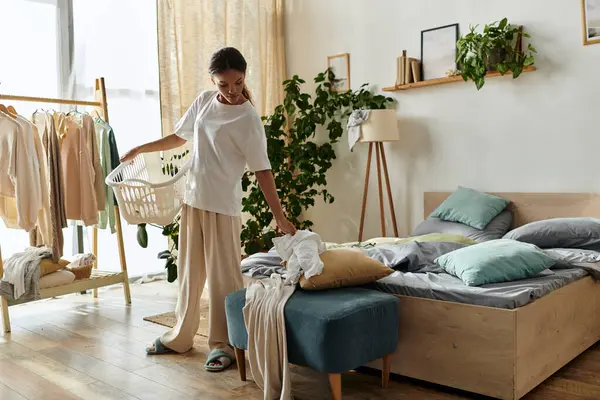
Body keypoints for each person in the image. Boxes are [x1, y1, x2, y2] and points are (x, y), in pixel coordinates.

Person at [120, 47, 296, 372]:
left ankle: (224, 344)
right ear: (213, 81)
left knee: (223, 279)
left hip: (222, 207)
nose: (231, 91)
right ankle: (180, 337)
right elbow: (178, 137)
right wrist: (139, 149)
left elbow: (263, 170)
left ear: (245, 77)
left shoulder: (248, 119)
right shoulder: (203, 101)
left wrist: (279, 215)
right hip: (193, 200)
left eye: (238, 83)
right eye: (224, 85)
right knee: (189, 274)